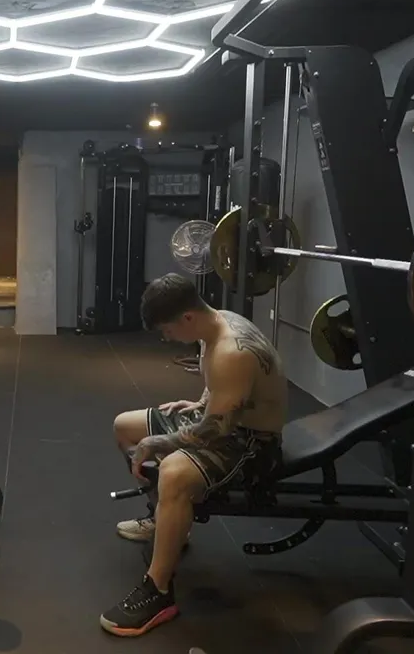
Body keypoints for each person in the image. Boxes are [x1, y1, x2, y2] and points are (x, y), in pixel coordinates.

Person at [101, 273, 287, 637]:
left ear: (187, 317)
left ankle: (158, 591)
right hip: (221, 420)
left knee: (173, 471)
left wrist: (160, 443)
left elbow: (217, 429)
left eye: (168, 330)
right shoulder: (213, 323)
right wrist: (203, 402)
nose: (167, 338)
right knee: (124, 426)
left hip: (250, 442)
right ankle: (167, 518)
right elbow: (222, 394)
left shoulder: (232, 351)